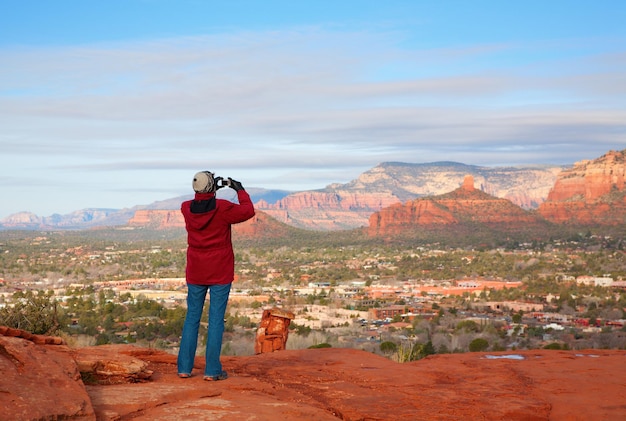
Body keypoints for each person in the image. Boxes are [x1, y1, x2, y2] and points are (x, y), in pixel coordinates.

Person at [177, 171, 255, 381]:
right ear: (213, 187)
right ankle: (212, 371)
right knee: (215, 320)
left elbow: (201, 204)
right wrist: (239, 189)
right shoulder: (221, 207)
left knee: (192, 318)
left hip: (195, 270)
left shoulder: (186, 208)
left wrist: (209, 192)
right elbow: (248, 211)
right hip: (219, 270)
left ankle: (184, 367)